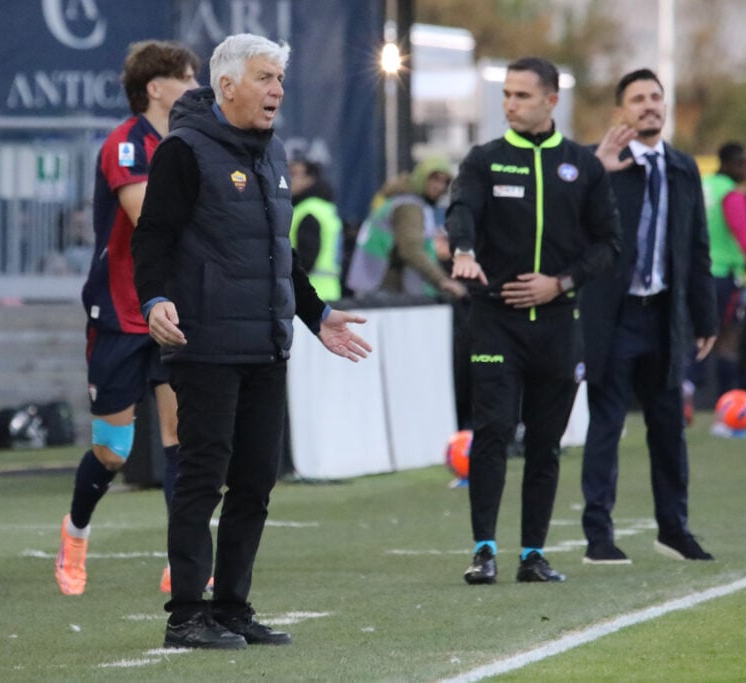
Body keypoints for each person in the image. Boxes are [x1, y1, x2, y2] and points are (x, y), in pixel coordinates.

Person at [131, 33, 371, 649]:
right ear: (227, 85)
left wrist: (316, 315)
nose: (277, 91)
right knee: (201, 479)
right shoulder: (183, 151)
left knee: (256, 483)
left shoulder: (273, 150)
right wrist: (154, 300)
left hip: (266, 345)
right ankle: (187, 614)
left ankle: (233, 608)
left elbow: (278, 253)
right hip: (206, 344)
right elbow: (152, 236)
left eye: (280, 79)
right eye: (265, 78)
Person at [446, 57, 620, 585]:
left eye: (521, 95)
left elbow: (608, 243)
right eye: (506, 94)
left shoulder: (582, 166)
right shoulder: (485, 160)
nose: (510, 104)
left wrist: (559, 283)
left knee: (546, 442)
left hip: (558, 325)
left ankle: (533, 555)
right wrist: (464, 249)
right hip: (495, 321)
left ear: (551, 101)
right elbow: (461, 208)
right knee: (493, 431)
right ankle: (483, 550)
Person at [53, 40, 201, 598]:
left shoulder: (190, 141)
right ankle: (75, 532)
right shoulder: (126, 143)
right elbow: (146, 216)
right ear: (155, 88)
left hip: (173, 310)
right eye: (187, 78)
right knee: (113, 450)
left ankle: (183, 563)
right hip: (119, 311)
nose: (196, 87)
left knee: (180, 436)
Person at [580, 68, 717, 565]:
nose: (649, 105)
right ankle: (599, 535)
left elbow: (696, 246)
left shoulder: (682, 168)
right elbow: (571, 230)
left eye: (655, 97)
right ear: (621, 111)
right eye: (637, 99)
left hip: (664, 316)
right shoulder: (599, 163)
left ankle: (673, 530)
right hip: (614, 317)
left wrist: (705, 317)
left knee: (668, 428)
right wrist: (596, 172)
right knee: (606, 426)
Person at [688, 142, 746, 430]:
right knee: (726, 342)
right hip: (723, 274)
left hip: (699, 273)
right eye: (742, 164)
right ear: (729, 164)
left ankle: (690, 396)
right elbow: (743, 234)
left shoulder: (704, 186)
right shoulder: (731, 194)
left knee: (701, 337)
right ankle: (727, 410)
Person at [347, 160, 466, 300]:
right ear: (422, 177)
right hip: (384, 286)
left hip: (372, 281)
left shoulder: (400, 200)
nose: (439, 186)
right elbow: (411, 249)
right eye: (434, 178)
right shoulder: (409, 206)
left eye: (444, 182)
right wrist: (442, 280)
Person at [288, 158, 342, 300]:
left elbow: (305, 260)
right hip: (329, 291)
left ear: (310, 179)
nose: (288, 179)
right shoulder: (325, 208)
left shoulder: (307, 211)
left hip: (310, 296)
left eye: (294, 174)